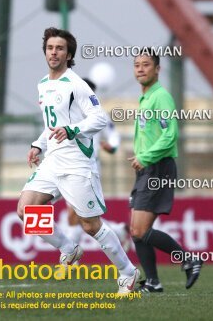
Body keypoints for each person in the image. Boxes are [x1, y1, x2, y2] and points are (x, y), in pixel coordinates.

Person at [17, 27, 139, 294]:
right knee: (25, 209)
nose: (54, 52)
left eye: (60, 48)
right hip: (52, 161)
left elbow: (99, 119)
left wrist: (72, 130)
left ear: (68, 53)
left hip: (76, 164)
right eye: (50, 48)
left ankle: (128, 273)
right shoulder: (43, 84)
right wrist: (38, 144)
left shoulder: (77, 84)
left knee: (90, 225)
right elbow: (52, 124)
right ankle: (68, 248)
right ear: (45, 51)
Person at [127, 48, 203, 293]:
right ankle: (153, 282)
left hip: (157, 167)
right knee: (136, 232)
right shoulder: (146, 98)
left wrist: (146, 156)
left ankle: (188, 260)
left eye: (146, 64)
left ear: (157, 69)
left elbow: (170, 136)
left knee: (139, 230)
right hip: (147, 168)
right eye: (137, 64)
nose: (140, 68)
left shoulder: (161, 97)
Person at [64, 78, 131, 254]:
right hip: (66, 166)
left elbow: (113, 134)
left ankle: (70, 257)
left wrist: (113, 146)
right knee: (83, 215)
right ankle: (118, 231)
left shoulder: (98, 114)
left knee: (74, 213)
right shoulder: (67, 113)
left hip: (88, 167)